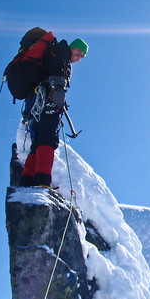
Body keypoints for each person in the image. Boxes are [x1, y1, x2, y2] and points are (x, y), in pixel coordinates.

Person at [19, 35, 88, 188]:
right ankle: (42, 181)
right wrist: (58, 92)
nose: (77, 57)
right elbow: (56, 71)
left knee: (37, 141)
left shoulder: (57, 52)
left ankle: (26, 182)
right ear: (72, 47)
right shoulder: (62, 51)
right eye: (77, 51)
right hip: (48, 99)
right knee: (48, 138)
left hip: (38, 100)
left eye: (81, 56)